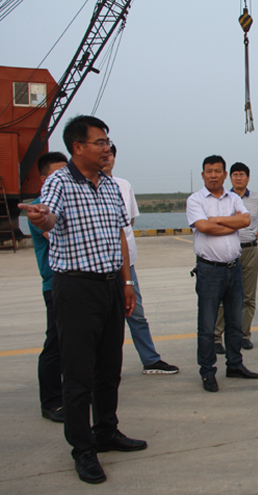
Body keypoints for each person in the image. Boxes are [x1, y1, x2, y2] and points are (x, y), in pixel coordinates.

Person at [21, 116, 145, 484]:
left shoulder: (110, 186)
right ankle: (83, 449)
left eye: (107, 142)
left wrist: (126, 282)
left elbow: (120, 236)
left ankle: (106, 431)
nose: (107, 148)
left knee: (109, 366)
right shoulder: (59, 182)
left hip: (111, 286)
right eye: (100, 142)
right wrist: (41, 218)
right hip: (76, 289)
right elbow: (48, 219)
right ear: (78, 147)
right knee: (77, 374)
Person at [186, 155, 258, 393]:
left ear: (224, 174)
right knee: (207, 326)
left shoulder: (234, 198)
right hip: (209, 271)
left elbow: (246, 220)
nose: (213, 175)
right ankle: (208, 371)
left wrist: (217, 220)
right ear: (203, 174)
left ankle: (235, 364)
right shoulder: (195, 200)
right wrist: (231, 224)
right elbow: (203, 227)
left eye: (217, 171)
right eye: (209, 171)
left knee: (235, 322)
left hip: (233, 268)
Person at [103, 145, 178, 374]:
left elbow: (130, 222)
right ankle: (103, 368)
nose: (107, 158)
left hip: (127, 264)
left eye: (110, 154)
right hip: (100, 265)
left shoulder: (124, 186)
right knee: (104, 320)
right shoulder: (85, 188)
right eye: (103, 153)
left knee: (135, 312)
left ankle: (150, 360)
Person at [213, 162, 258, 352]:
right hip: (227, 251)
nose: (238, 178)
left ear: (248, 178)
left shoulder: (257, 199)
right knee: (222, 295)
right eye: (235, 175)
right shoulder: (223, 198)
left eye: (242, 174)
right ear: (229, 177)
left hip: (249, 250)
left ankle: (244, 335)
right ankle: (216, 337)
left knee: (248, 296)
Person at [29, 152, 68, 423]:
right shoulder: (38, 209)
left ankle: (76, 393)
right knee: (55, 343)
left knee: (80, 343)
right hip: (55, 284)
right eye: (57, 174)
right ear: (44, 180)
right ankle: (52, 402)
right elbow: (53, 231)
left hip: (79, 283)